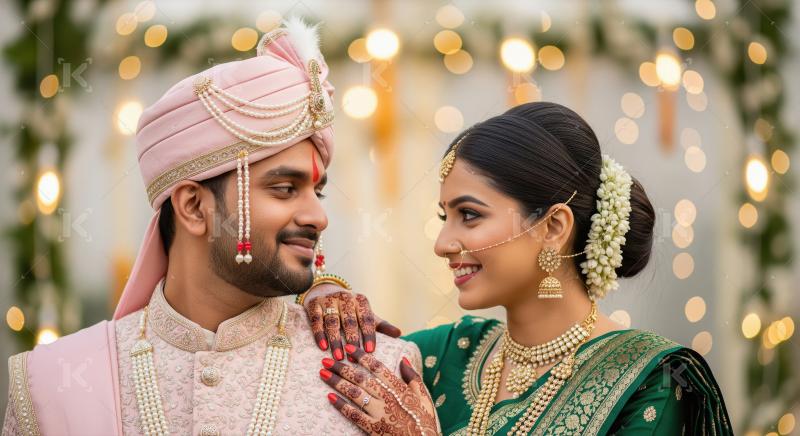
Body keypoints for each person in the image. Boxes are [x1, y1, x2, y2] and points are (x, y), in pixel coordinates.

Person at [2, 19, 426, 436]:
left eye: (318, 191)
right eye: (284, 188)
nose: (318, 216)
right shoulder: (53, 385)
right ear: (192, 206)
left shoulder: (376, 378)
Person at [306, 102, 733, 434]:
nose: (442, 244)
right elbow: (289, 373)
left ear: (553, 226)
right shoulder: (445, 356)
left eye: (469, 215)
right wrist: (319, 293)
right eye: (444, 218)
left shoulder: (648, 380)